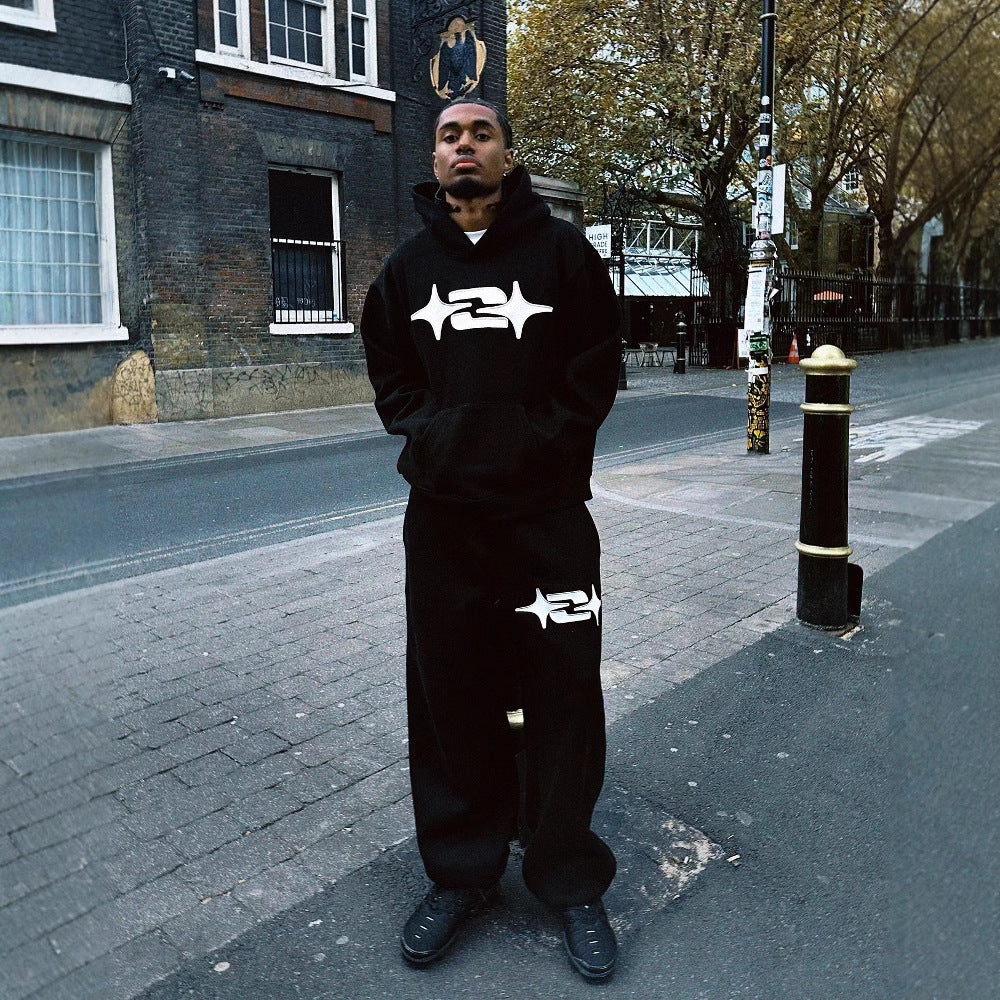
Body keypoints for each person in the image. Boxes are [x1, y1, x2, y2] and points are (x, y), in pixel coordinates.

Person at [360, 97, 621, 982]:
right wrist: (436, 439)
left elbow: (594, 370)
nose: (464, 145)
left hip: (547, 520)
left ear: (507, 155)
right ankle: (462, 870)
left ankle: (567, 874)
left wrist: (535, 444)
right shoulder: (405, 272)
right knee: (450, 697)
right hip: (444, 523)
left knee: (564, 693)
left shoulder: (564, 255)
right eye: (449, 135)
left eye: (481, 133)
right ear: (434, 160)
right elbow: (392, 379)